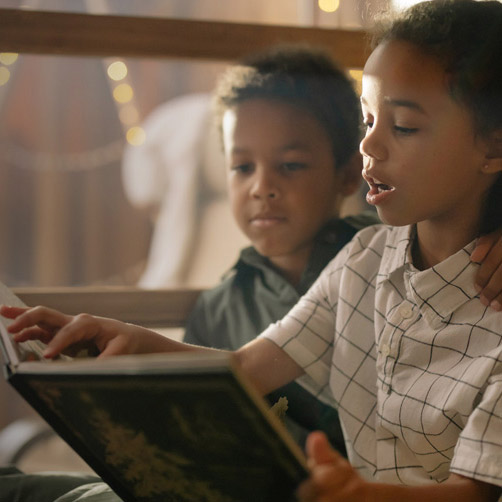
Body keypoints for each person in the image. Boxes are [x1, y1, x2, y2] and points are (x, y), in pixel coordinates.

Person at [3, 2, 502, 499]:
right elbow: (244, 370)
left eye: (405, 127)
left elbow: (476, 494)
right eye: (368, 121)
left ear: (494, 147)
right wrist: (125, 340)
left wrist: (358, 495)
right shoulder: (364, 258)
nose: (369, 146)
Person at [183, 44, 379, 454]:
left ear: (347, 175)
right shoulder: (218, 310)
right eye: (242, 167)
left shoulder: (386, 252)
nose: (261, 187)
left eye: (290, 165)